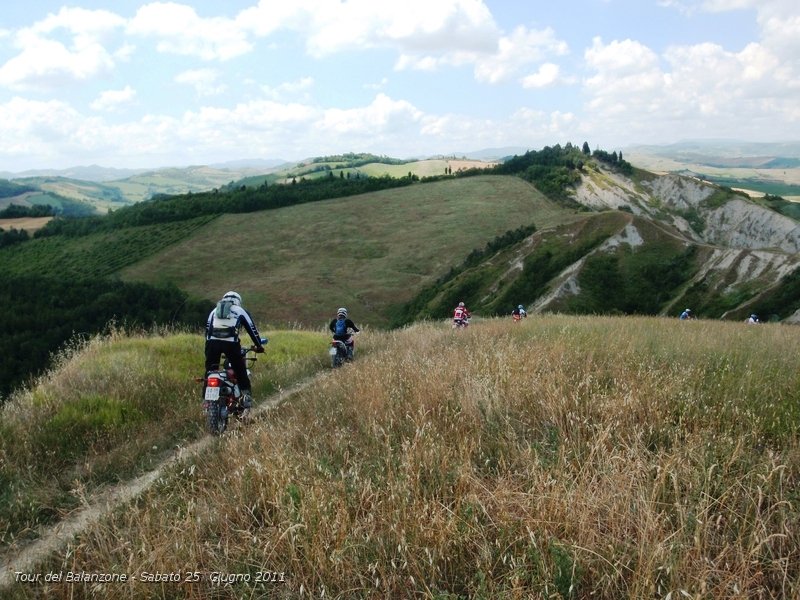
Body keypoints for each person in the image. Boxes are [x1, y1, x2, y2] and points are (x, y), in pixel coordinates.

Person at [205, 291, 265, 408]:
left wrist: (208, 348)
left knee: (210, 371)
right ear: (238, 301)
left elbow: (207, 330)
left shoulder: (213, 311)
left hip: (212, 344)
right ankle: (246, 397)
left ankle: (206, 401)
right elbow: (251, 329)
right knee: (240, 370)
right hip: (231, 344)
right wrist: (259, 345)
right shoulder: (240, 310)